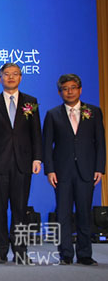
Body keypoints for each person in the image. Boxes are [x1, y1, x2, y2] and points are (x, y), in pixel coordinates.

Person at [0, 62, 42, 265]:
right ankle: (0, 252)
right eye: (6, 74)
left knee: (20, 209)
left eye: (15, 74)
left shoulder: (30, 102)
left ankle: (20, 251)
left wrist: (37, 158)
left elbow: (36, 132)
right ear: (0, 78)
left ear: (20, 78)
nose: (11, 77)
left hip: (23, 164)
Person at [42, 73, 105, 266]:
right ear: (59, 92)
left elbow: (100, 142)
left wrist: (99, 168)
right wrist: (50, 170)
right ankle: (66, 254)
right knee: (63, 214)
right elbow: (47, 145)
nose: (69, 92)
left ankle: (85, 254)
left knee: (84, 213)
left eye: (73, 88)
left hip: (87, 170)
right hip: (62, 172)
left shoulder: (93, 112)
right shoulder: (53, 114)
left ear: (80, 90)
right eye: (65, 89)